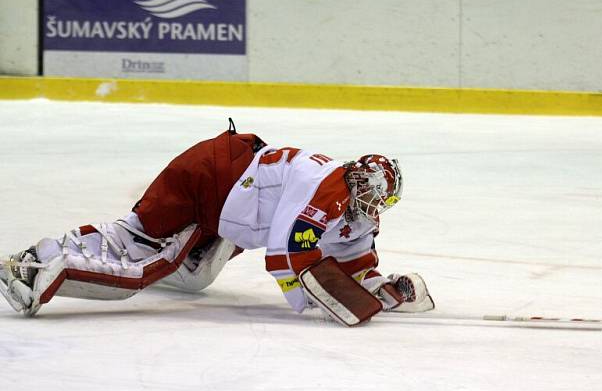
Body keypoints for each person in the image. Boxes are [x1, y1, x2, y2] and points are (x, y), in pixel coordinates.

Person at [0, 119, 433, 326]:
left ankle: (68, 253)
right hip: (211, 180)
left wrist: (379, 287)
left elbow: (352, 259)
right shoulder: (330, 187)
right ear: (357, 178)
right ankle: (36, 266)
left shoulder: (357, 213)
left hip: (231, 190)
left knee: (193, 277)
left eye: (380, 198)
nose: (372, 203)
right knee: (140, 256)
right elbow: (285, 256)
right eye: (369, 191)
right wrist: (310, 302)